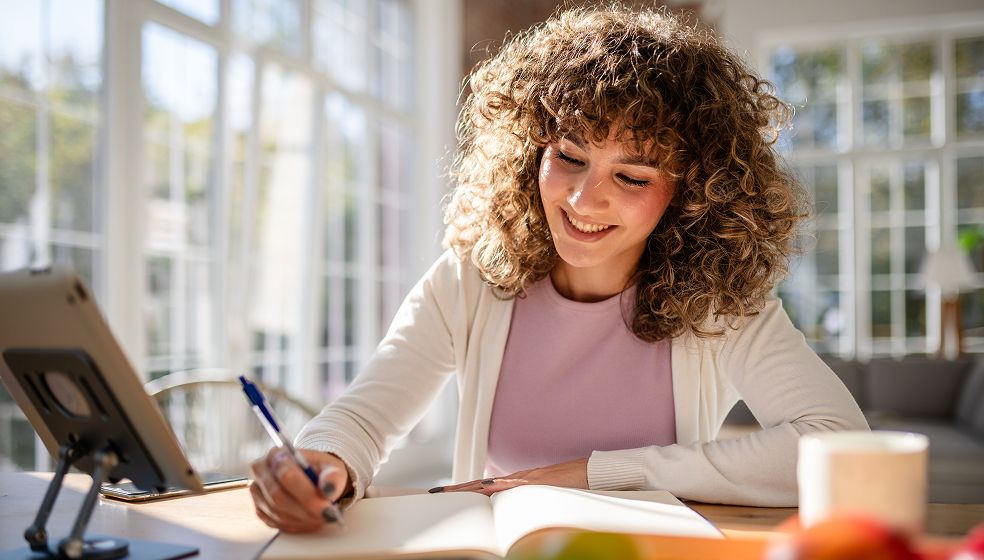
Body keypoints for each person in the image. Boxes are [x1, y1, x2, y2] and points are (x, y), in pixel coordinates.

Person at [248, 4, 868, 533]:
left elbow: (840, 450)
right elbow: (363, 416)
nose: (581, 200)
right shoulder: (470, 279)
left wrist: (593, 474)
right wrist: (324, 458)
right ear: (531, 148)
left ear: (692, 191)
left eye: (630, 176)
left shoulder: (721, 305)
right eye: (569, 156)